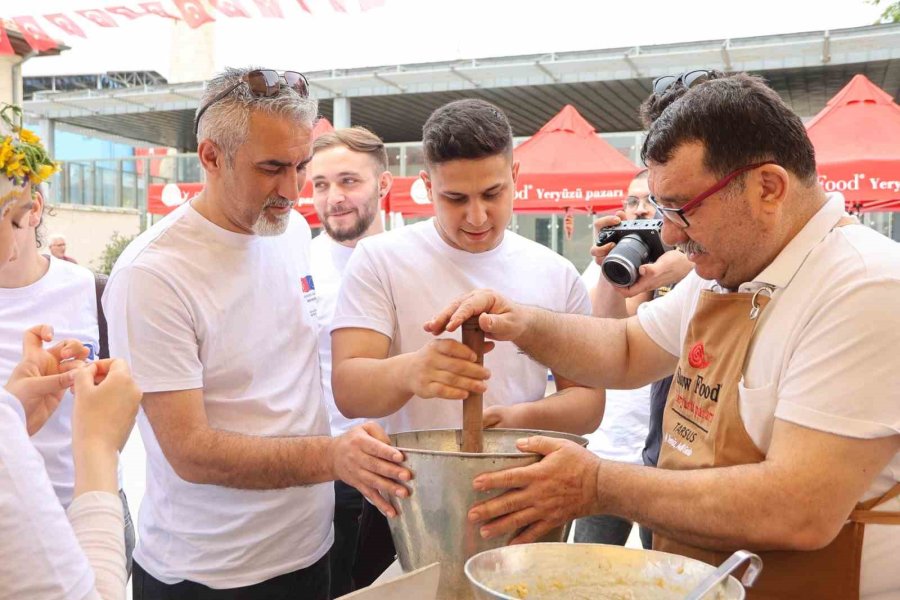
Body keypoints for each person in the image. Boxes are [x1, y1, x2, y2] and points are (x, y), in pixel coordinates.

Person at [426, 73, 900, 599]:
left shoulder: (865, 286)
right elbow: (628, 349)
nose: (669, 235)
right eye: (661, 210)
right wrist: (522, 323)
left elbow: (798, 508)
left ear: (768, 187)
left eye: (683, 208)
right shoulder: (725, 273)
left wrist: (597, 484)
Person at [103, 67, 411, 599]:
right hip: (210, 573)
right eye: (271, 168)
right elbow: (190, 451)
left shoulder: (286, 231)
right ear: (211, 156)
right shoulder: (152, 274)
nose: (292, 190)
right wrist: (332, 457)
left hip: (310, 548)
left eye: (301, 166)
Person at [330, 99, 605, 581]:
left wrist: (514, 421)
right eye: (455, 198)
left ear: (515, 175)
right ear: (427, 184)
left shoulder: (556, 273)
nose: (477, 216)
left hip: (521, 494)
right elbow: (349, 390)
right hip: (408, 500)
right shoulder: (380, 260)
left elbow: (588, 402)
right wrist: (411, 371)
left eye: (492, 193)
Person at [0, 122, 141, 598]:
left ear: (34, 208)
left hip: (91, 506)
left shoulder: (94, 291)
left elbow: (129, 401)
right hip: (19, 529)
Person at [577, 169, 693, 549]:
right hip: (608, 453)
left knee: (657, 566)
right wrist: (610, 268)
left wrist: (682, 268)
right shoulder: (616, 259)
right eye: (633, 201)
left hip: (662, 461)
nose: (641, 210)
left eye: (652, 202)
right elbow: (609, 334)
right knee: (588, 568)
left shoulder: (696, 264)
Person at [307, 126, 393, 597]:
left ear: (384, 184)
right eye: (320, 184)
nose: (333, 197)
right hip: (326, 474)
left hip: (402, 470)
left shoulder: (411, 259)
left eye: (348, 181)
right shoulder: (296, 265)